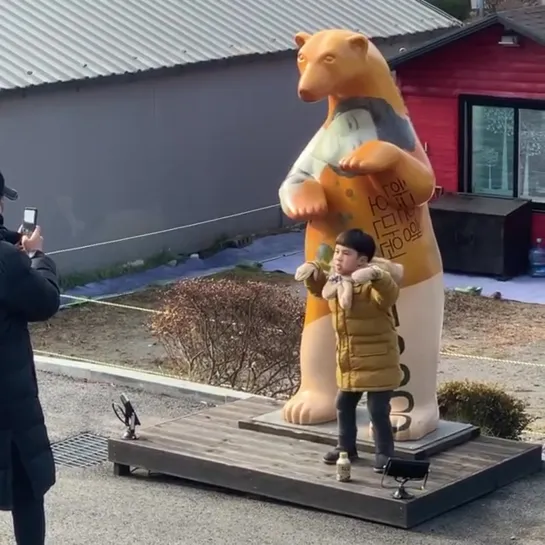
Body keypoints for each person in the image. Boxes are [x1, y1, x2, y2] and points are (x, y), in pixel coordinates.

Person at [295, 228, 403, 473]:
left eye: (346, 253)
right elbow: (320, 291)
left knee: (378, 409)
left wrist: (376, 275)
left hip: (379, 361)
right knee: (343, 403)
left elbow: (388, 294)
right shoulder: (336, 281)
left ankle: (385, 453)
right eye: (337, 252)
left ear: (362, 260)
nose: (338, 258)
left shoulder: (370, 285)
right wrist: (313, 275)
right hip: (350, 360)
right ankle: (346, 448)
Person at [0, 171, 60, 545]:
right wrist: (37, 257)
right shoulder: (7, 262)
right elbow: (45, 300)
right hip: (9, 403)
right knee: (26, 490)